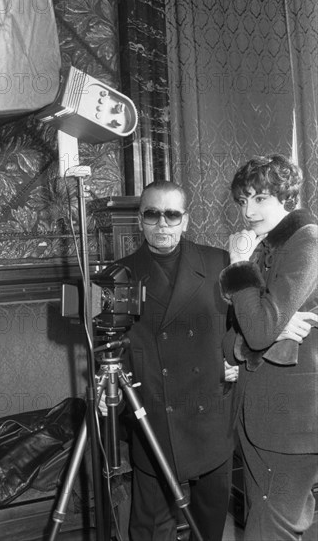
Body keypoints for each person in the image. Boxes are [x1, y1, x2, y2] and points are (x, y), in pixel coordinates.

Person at [114, 180, 236, 541]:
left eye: (172, 214)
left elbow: (239, 326)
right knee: (150, 529)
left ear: (186, 220)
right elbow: (112, 347)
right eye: (152, 214)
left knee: (208, 526)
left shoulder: (219, 263)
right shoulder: (120, 274)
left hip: (210, 413)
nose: (162, 223)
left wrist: (235, 360)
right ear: (140, 220)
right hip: (153, 416)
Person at [219, 154, 318, 541]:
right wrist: (257, 340)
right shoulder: (266, 246)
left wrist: (239, 262)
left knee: (270, 530)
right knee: (269, 522)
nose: (248, 210)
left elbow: (257, 329)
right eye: (243, 201)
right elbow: (233, 340)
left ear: (286, 199)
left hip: (291, 425)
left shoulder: (306, 241)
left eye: (260, 199)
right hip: (261, 416)